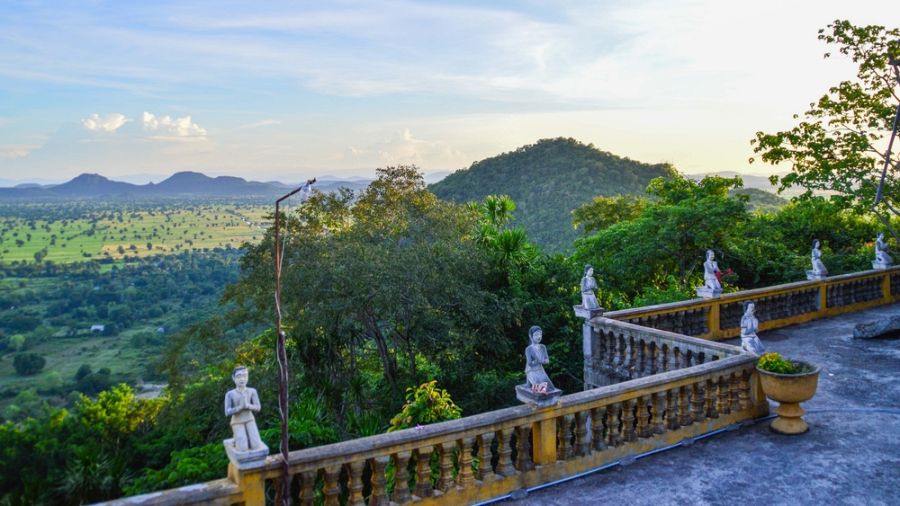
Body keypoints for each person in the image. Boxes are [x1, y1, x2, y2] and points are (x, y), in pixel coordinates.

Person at [224, 366, 264, 452]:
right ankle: (236, 438)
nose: (242, 379)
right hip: (237, 421)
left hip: (249, 419)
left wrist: (248, 406)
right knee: (242, 448)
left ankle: (239, 438)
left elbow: (258, 407)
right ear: (233, 378)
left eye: (245, 376)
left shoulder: (252, 391)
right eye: (239, 376)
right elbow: (227, 412)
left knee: (256, 445)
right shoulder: (230, 394)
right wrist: (239, 407)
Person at [525, 326, 553, 394]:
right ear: (530, 336)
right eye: (536, 335)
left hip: (540, 369)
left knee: (549, 386)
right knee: (539, 386)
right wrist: (538, 361)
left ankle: (541, 391)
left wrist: (543, 361)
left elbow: (547, 360)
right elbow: (530, 363)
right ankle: (538, 390)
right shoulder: (528, 349)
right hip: (531, 370)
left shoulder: (543, 347)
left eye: (540, 334)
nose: (539, 337)